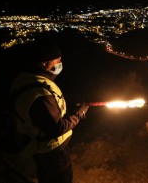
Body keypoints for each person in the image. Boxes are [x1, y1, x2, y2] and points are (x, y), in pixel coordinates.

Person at [8, 39, 89, 183]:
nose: (60, 63)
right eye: (57, 60)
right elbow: (56, 128)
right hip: (52, 153)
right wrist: (79, 114)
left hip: (45, 151)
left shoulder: (28, 79)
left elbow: (46, 111)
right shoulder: (38, 92)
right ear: (44, 64)